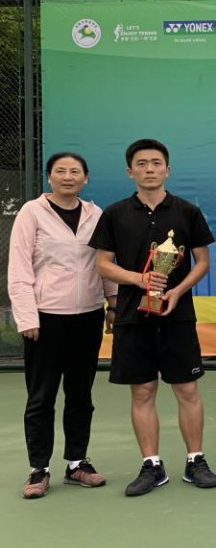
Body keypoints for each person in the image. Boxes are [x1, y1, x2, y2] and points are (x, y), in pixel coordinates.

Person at [90, 139, 216, 496]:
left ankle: (195, 460)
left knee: (187, 389)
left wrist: (178, 291)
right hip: (133, 317)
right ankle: (152, 465)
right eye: (142, 163)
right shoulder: (114, 214)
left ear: (168, 169)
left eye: (156, 163)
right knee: (143, 391)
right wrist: (139, 280)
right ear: (130, 171)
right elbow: (103, 264)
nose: (149, 169)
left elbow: (202, 262)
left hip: (178, 316)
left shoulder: (187, 211)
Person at [8, 152, 118, 499]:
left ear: (86, 178)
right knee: (41, 397)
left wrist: (113, 302)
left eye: (75, 171)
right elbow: (19, 269)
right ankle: (39, 468)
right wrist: (27, 317)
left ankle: (77, 464)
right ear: (49, 177)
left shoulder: (95, 214)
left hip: (88, 316)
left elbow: (104, 261)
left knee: (81, 394)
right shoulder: (31, 212)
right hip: (44, 319)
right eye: (60, 171)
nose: (68, 176)